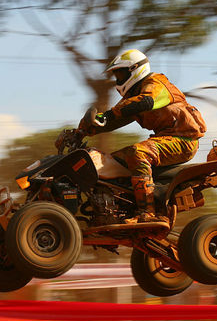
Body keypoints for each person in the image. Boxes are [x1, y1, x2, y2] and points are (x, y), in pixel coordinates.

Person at [79, 49, 207, 224]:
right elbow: (113, 119)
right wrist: (82, 130)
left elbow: (146, 102)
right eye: (116, 76)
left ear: (135, 69)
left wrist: (108, 116)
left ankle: (147, 212)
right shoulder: (134, 97)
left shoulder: (156, 84)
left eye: (121, 74)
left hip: (183, 141)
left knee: (137, 153)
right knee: (111, 162)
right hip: (164, 140)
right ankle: (119, 209)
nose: (118, 80)